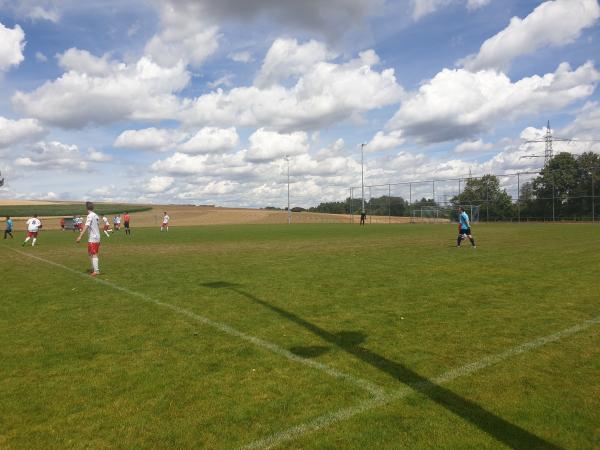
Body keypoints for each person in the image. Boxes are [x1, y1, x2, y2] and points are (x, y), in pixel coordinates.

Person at [76, 201, 101, 276]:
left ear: (86, 208)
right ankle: (93, 268)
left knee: (94, 253)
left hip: (93, 238)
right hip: (96, 236)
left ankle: (96, 271)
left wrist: (80, 236)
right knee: (90, 253)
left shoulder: (90, 216)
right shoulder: (96, 215)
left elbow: (86, 226)